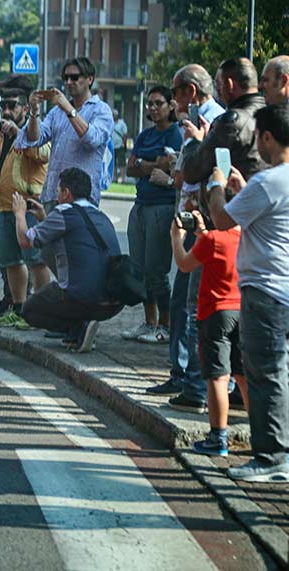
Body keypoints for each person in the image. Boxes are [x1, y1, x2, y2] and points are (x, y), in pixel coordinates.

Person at [203, 102, 289, 483]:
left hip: (264, 290)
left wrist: (216, 185)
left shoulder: (269, 182)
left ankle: (271, 457)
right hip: (282, 286)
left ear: (267, 137)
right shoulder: (272, 183)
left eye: (257, 137)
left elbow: (221, 219)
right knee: (279, 372)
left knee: (264, 372)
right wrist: (243, 191)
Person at [145, 64, 227, 404]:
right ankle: (182, 373)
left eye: (175, 93)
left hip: (203, 224)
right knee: (183, 302)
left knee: (193, 305)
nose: (172, 100)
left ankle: (194, 382)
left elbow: (204, 171)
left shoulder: (217, 122)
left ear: (190, 92)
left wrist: (195, 144)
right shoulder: (195, 123)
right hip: (190, 218)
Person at [17, 57, 113, 281]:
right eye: (65, 78)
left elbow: (91, 139)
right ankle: (63, 298)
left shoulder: (101, 110)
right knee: (51, 254)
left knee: (77, 255)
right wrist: (33, 111)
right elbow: (34, 139)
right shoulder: (56, 112)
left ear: (89, 79)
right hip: (54, 192)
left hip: (81, 198)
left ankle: (80, 300)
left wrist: (68, 108)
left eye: (75, 77)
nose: (69, 82)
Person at [13, 168, 124, 353]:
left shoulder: (64, 212)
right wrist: (43, 218)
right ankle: (81, 328)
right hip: (113, 301)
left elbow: (26, 240)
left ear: (66, 193)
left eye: (58, 191)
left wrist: (19, 213)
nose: (56, 196)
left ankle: (78, 328)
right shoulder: (100, 215)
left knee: (29, 310)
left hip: (83, 297)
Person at [0, 74, 51, 328]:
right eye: (3, 105)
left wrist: (20, 135)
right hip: (3, 206)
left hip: (28, 206)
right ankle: (19, 308)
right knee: (11, 262)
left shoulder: (33, 131)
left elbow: (42, 154)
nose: (6, 110)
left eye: (12, 105)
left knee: (36, 261)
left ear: (25, 108)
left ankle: (42, 311)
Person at [170, 206, 246, 458]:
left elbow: (183, 264)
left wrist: (176, 239)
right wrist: (202, 230)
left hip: (215, 314)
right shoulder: (247, 236)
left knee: (218, 377)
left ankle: (218, 437)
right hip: (243, 311)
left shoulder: (213, 240)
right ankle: (262, 433)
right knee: (243, 376)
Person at [121, 86, 182, 345]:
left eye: (159, 103)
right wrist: (151, 165)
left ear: (171, 106)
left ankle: (164, 325)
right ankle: (148, 322)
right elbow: (130, 168)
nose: (153, 108)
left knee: (156, 270)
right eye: (150, 104)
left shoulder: (175, 135)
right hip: (140, 204)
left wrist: (141, 165)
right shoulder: (145, 135)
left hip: (162, 207)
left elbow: (169, 165)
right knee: (140, 269)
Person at [182, 57, 268, 185]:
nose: (217, 91)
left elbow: (191, 172)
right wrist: (208, 138)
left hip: (234, 200)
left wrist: (193, 141)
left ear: (229, 85)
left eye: (218, 85)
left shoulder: (231, 121)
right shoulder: (272, 114)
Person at [112, 109, 129, 182]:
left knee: (122, 163)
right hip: (112, 146)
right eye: (112, 114)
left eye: (114, 115)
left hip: (120, 146)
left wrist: (124, 144)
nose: (113, 116)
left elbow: (125, 134)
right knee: (113, 163)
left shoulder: (122, 123)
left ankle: (123, 179)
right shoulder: (110, 123)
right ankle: (114, 178)